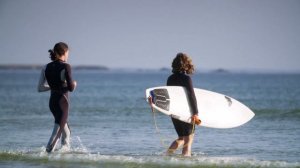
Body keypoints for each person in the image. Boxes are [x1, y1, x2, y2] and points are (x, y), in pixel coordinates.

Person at [37, 42, 77, 153]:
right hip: (62, 103)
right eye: (68, 52)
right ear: (64, 52)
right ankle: (46, 155)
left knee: (66, 132)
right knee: (57, 131)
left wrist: (53, 87)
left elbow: (40, 88)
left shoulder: (46, 67)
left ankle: (63, 157)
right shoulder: (66, 66)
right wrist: (74, 83)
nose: (68, 55)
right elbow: (71, 88)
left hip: (53, 102)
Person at [166, 53, 201, 157]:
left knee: (181, 137)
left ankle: (167, 156)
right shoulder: (186, 79)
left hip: (174, 112)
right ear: (186, 64)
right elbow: (191, 96)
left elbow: (170, 96)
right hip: (186, 112)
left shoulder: (170, 78)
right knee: (188, 139)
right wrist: (195, 113)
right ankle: (186, 160)